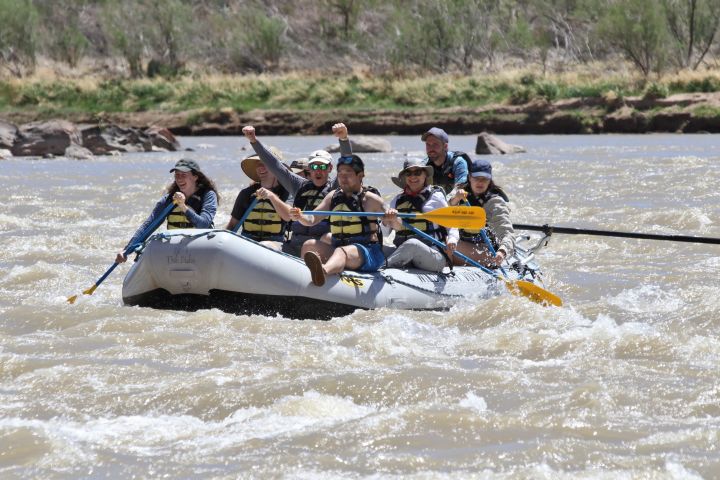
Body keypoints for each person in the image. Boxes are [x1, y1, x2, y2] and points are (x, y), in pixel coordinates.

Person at [240, 123, 352, 256]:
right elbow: (275, 165)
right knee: (266, 246)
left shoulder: (335, 187)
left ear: (330, 169)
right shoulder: (298, 185)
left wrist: (344, 139)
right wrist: (254, 140)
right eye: (314, 167)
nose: (318, 171)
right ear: (309, 169)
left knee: (321, 240)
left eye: (322, 167)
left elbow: (346, 164)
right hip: (294, 246)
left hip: (321, 246)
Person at [289, 155, 386, 286]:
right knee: (309, 244)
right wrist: (300, 216)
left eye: (348, 174)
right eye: (340, 174)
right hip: (339, 248)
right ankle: (301, 280)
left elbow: (394, 224)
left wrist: (392, 216)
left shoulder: (371, 199)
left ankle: (322, 272)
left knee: (341, 251)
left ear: (360, 175)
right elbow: (312, 219)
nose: (343, 178)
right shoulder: (332, 196)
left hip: (367, 253)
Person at [116, 158, 219, 263]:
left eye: (183, 175)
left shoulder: (208, 195)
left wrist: (183, 206)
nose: (179, 179)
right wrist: (127, 250)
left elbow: (204, 224)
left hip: (200, 246)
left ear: (195, 177)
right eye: (177, 175)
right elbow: (149, 224)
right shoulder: (169, 199)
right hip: (175, 248)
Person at [382, 158, 458, 272]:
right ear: (405, 177)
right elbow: (384, 233)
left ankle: (382, 269)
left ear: (425, 175)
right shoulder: (397, 200)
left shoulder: (436, 197)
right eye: (409, 173)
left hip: (433, 255)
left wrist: (452, 239)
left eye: (417, 173)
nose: (413, 177)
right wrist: (386, 220)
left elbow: (451, 224)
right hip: (403, 252)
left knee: (412, 244)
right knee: (376, 247)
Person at [448, 158, 514, 267]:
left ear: (490, 180)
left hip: (487, 252)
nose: (480, 182)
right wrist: (455, 200)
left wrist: (502, 251)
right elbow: (444, 210)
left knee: (446, 244)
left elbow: (507, 232)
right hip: (463, 245)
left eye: (484, 179)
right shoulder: (459, 193)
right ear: (469, 177)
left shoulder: (495, 202)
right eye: (476, 178)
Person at [226, 148, 290, 251]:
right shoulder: (246, 193)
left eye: (265, 163)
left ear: (277, 168)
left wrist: (272, 196)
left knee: (265, 246)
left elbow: (287, 216)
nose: (260, 168)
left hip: (275, 243)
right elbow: (233, 224)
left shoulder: (287, 193)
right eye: (258, 164)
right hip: (248, 241)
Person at [422, 127, 470, 195]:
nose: (431, 148)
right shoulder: (424, 165)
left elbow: (459, 188)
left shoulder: (458, 162)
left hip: (458, 202)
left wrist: (446, 202)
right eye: (428, 144)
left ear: (445, 146)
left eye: (435, 144)